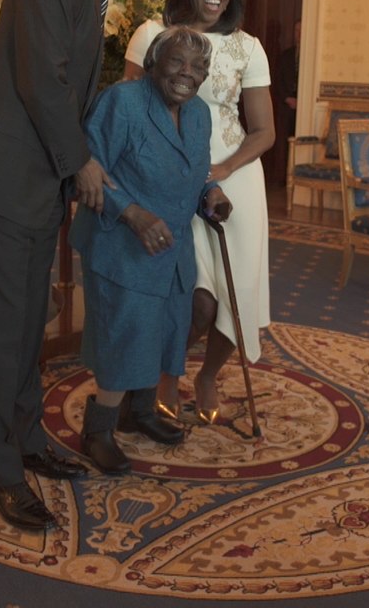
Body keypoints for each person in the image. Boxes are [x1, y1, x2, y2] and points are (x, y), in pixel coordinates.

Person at [0, 0, 158, 530]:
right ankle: (0, 473)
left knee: (28, 324)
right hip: (2, 179)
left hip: (34, 183)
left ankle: (29, 443)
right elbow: (44, 79)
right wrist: (83, 164)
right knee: (0, 333)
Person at [124, 0, 275, 427]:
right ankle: (166, 374)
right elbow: (128, 116)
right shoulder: (150, 34)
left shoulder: (248, 47)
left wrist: (224, 170)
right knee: (197, 299)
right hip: (169, 182)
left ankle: (208, 376)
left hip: (235, 179)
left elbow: (264, 130)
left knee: (238, 294)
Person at [70, 26, 232, 473]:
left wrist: (211, 195)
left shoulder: (198, 113)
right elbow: (88, 172)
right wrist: (134, 215)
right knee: (126, 334)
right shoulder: (121, 102)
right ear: (154, 63)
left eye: (199, 66)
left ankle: (138, 413)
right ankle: (98, 431)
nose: (189, 74)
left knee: (165, 330)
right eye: (178, 62)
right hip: (121, 240)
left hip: (172, 245)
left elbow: (194, 169)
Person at [270, 19, 301, 185]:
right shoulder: (285, 56)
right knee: (282, 144)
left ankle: (294, 178)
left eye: (302, 31)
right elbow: (278, 81)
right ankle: (280, 178)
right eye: (296, 31)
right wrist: (287, 98)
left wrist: (301, 100)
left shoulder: (310, 57)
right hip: (285, 107)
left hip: (303, 108)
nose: (299, 35)